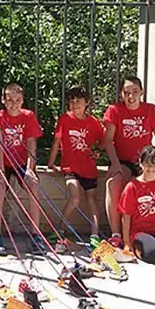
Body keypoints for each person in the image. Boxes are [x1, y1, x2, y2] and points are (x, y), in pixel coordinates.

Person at [103, 76, 155, 247]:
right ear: (121, 94)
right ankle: (116, 233)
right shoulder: (114, 110)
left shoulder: (151, 110)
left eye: (135, 92)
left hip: (146, 161)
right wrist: (115, 164)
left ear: (141, 93)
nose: (131, 97)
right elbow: (108, 141)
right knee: (113, 183)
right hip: (123, 161)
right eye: (126, 93)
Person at [47, 86, 104, 248]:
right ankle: (60, 230)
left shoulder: (93, 122)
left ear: (87, 103)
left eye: (78, 101)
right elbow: (57, 141)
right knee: (74, 197)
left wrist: (98, 151)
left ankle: (94, 234)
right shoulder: (64, 119)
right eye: (71, 101)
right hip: (70, 167)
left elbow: (104, 138)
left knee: (91, 199)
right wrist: (51, 164)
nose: (75, 104)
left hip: (89, 168)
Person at [0, 83, 43, 253]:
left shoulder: (28, 116)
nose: (14, 103)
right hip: (4, 162)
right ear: (3, 100)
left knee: (33, 187)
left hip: (21, 162)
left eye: (17, 100)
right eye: (10, 99)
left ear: (22, 101)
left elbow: (31, 144)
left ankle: (36, 235)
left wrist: (29, 169)